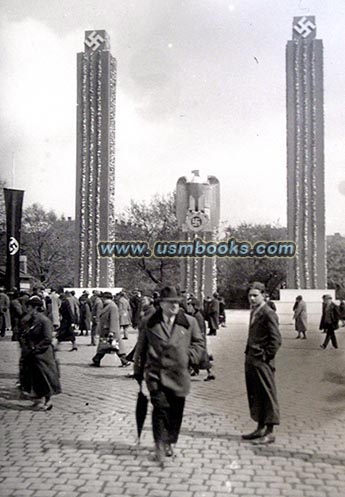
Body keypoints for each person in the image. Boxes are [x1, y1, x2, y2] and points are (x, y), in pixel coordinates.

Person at [133, 286, 204, 467]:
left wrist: (189, 357)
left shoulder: (189, 322)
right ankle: (159, 444)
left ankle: (171, 441)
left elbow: (199, 343)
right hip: (156, 374)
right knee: (160, 408)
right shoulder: (150, 322)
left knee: (176, 410)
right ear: (162, 304)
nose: (175, 306)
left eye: (177, 303)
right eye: (171, 302)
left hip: (179, 374)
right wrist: (138, 372)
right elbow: (140, 348)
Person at [242, 281, 282, 445]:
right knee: (255, 393)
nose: (251, 298)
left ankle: (270, 432)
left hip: (262, 361)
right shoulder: (255, 311)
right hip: (251, 359)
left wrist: (265, 356)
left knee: (267, 393)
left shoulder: (268, 313)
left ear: (263, 295)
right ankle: (260, 427)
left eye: (255, 295)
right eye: (250, 295)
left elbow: (276, 340)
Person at [20, 296, 61, 410]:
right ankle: (39, 399)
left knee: (45, 378)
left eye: (29, 307)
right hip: (34, 355)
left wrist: (36, 348)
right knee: (37, 378)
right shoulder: (31, 321)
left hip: (43, 355)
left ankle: (48, 401)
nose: (27, 310)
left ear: (35, 308)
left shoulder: (44, 321)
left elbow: (47, 338)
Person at [90, 292, 131, 367]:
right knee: (105, 346)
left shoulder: (112, 307)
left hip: (110, 330)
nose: (102, 300)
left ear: (106, 298)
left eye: (103, 298)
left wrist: (112, 331)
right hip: (106, 330)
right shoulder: (108, 306)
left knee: (114, 346)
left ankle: (125, 361)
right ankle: (96, 359)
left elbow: (114, 320)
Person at [190, 297, 215, 381]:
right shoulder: (196, 315)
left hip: (199, 339)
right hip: (200, 339)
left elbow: (199, 329)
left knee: (203, 357)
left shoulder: (197, 316)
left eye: (191, 305)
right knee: (198, 356)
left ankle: (210, 373)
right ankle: (195, 370)